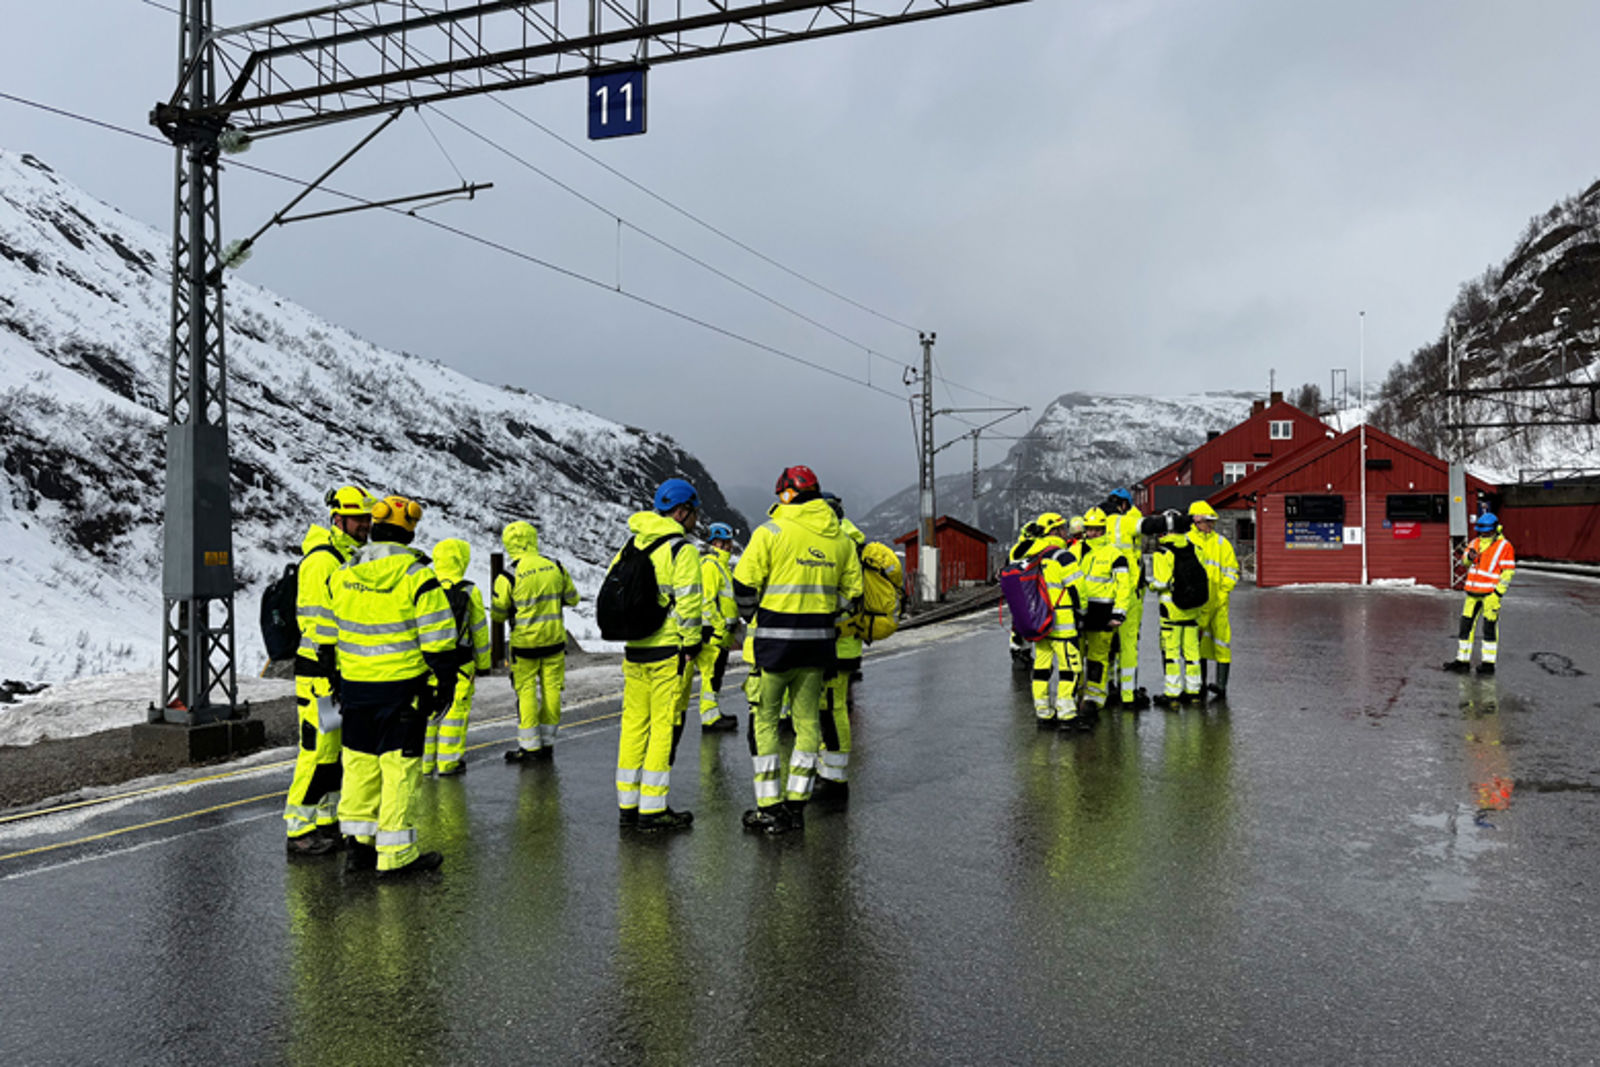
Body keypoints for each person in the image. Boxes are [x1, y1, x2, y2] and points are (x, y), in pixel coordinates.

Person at [321, 495, 456, 877]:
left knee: (360, 766)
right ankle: (396, 857)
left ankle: (359, 849)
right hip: (401, 691)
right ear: (408, 532)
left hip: (355, 688)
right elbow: (438, 639)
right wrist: (444, 682)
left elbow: (328, 635)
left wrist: (337, 678)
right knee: (399, 770)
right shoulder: (417, 575)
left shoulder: (344, 573)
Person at [733, 466, 863, 835]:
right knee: (808, 724)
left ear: (786, 494)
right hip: (818, 646)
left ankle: (768, 807)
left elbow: (743, 583)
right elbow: (853, 596)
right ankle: (796, 804)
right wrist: (825, 610)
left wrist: (752, 616)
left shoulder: (770, 532)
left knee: (766, 722)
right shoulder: (839, 540)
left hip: (773, 647)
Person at [284, 485, 374, 857]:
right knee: (317, 752)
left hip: (335, 671)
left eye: (367, 519)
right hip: (321, 673)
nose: (364, 526)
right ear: (338, 519)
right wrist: (333, 669)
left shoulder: (345, 557)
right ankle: (299, 828)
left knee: (332, 753)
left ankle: (324, 822)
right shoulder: (323, 560)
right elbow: (321, 624)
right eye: (358, 519)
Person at [612, 478, 703, 831]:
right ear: (681, 512)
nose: (695, 519)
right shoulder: (682, 550)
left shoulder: (631, 545)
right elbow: (691, 604)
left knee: (633, 726)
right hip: (668, 652)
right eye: (693, 512)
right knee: (662, 727)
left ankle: (628, 806)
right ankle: (653, 809)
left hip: (635, 650)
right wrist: (692, 643)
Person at [492, 521, 579, 762]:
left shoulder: (508, 575)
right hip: (554, 641)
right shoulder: (555, 566)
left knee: (526, 691)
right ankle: (548, 741)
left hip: (524, 645)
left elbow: (498, 614)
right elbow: (573, 599)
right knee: (552, 689)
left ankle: (530, 747)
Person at [423, 538, 491, 776]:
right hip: (461, 662)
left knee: (428, 710)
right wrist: (484, 664)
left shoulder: (425, 585)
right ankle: (449, 762)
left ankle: (425, 763)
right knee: (454, 711)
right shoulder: (469, 590)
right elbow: (480, 630)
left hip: (428, 661)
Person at [817, 492, 864, 800]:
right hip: (846, 640)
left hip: (837, 640)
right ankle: (828, 770)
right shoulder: (852, 540)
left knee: (832, 710)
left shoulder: (840, 543)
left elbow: (845, 595)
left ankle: (835, 781)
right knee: (832, 708)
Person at [1027, 512, 1085, 728]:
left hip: (1039, 623)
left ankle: (1043, 713)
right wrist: (1084, 612)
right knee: (1070, 667)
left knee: (1041, 668)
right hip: (1062, 622)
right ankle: (1067, 714)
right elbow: (1078, 589)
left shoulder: (1032, 555)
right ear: (1055, 531)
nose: (1065, 532)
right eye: (1062, 528)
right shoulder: (1063, 556)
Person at [1077, 507, 1133, 715]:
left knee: (1097, 659)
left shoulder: (1115, 555)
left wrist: (1119, 613)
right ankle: (1076, 695)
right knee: (1075, 657)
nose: (1092, 533)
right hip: (1080, 613)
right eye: (1089, 529)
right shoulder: (1075, 551)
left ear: (1103, 529)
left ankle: (1094, 697)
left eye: (1097, 529)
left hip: (1103, 614)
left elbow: (1123, 587)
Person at [1445, 512, 1516, 675]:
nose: (1483, 533)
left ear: (1495, 529)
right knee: (1465, 628)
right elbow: (1464, 562)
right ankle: (1462, 660)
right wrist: (1469, 557)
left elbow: (1508, 572)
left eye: (1486, 530)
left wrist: (1498, 593)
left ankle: (1488, 664)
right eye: (1481, 530)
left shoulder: (1504, 546)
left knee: (1489, 629)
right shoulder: (1474, 543)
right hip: (1472, 593)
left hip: (1490, 595)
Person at [1187, 500, 1238, 699]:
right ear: (1196, 521)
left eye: (1211, 522)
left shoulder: (1220, 543)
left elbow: (1232, 570)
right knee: (1197, 645)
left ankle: (1221, 686)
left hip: (1219, 603)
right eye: (1207, 522)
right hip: (1198, 604)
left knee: (1222, 643)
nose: (1210, 526)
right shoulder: (1188, 540)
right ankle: (1198, 685)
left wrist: (1223, 592)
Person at [1148, 524, 1203, 707]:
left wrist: (1150, 585)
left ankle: (1173, 695)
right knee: (1192, 652)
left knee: (1171, 653)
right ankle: (1194, 692)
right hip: (1193, 609)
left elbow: (1162, 582)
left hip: (1171, 610)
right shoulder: (1196, 549)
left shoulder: (1162, 552)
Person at [694, 522, 741, 731]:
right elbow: (707, 601)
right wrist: (720, 626)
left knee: (716, 673)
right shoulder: (710, 566)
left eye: (730, 542)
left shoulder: (721, 565)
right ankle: (710, 717)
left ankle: (713, 713)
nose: (730, 546)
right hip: (713, 631)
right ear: (715, 542)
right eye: (726, 542)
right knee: (711, 673)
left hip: (722, 632)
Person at [1107, 487, 1149, 709]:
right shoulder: (1132, 520)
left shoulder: (1102, 522)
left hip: (1107, 590)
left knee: (1107, 644)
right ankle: (1128, 692)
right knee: (1129, 643)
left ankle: (1107, 689)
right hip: (1131, 590)